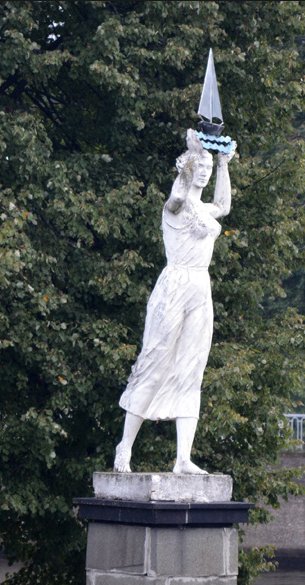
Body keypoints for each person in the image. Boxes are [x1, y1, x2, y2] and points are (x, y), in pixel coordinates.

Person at [114, 129, 237, 474]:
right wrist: (190, 160)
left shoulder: (207, 208)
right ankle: (125, 447)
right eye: (200, 166)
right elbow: (178, 199)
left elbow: (224, 206)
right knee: (153, 363)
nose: (204, 171)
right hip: (175, 284)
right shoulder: (176, 206)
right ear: (186, 168)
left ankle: (183, 458)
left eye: (207, 168)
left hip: (200, 286)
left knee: (191, 369)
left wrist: (224, 162)